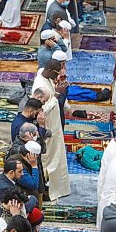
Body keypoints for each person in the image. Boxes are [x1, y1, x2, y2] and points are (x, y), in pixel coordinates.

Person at [31, 59, 70, 200]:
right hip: (46, 127)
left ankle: (55, 186)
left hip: (55, 124)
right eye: (57, 73)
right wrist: (57, 95)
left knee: (57, 156)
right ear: (51, 71)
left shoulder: (44, 76)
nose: (58, 76)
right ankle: (47, 187)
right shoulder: (39, 85)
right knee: (48, 159)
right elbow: (39, 110)